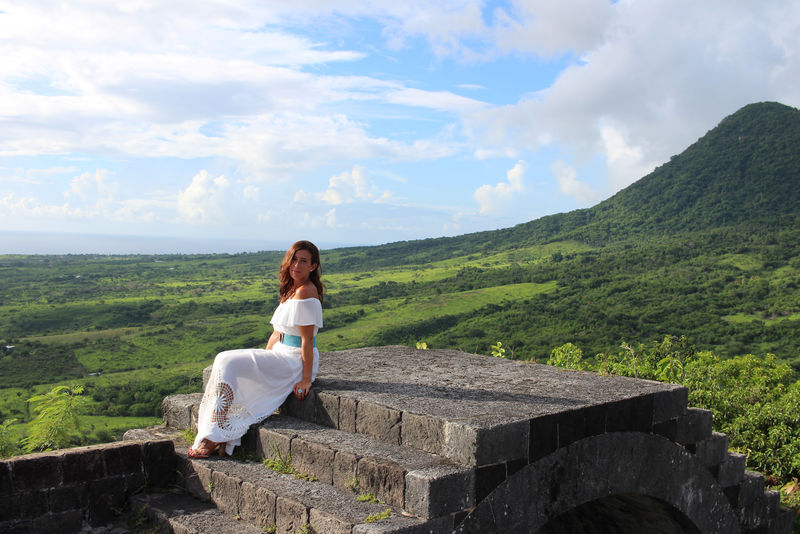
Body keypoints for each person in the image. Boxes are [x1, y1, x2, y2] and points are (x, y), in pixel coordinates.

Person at [188, 240, 324, 458]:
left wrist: (306, 379)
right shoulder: (291, 290)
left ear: (313, 266)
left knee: (226, 360)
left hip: (294, 361)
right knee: (223, 359)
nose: (296, 265)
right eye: (293, 260)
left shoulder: (306, 292)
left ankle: (215, 434)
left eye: (303, 261)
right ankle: (217, 426)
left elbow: (307, 341)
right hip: (279, 352)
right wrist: (264, 359)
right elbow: (276, 333)